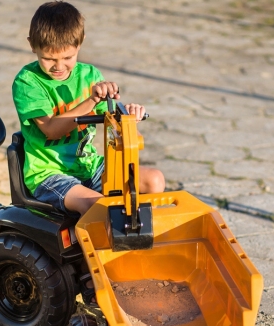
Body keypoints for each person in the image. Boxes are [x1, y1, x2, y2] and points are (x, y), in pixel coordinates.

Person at [12, 1, 165, 306]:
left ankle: (144, 253)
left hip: (88, 166)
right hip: (49, 174)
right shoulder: (27, 82)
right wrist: (91, 102)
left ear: (79, 45)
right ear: (32, 47)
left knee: (153, 181)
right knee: (96, 205)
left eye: (67, 57)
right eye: (49, 59)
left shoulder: (89, 75)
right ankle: (102, 279)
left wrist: (128, 113)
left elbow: (110, 113)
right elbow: (52, 129)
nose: (59, 66)